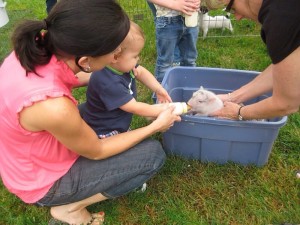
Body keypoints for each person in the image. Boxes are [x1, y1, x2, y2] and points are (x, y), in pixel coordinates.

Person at [0, 0, 181, 225]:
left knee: (98, 113)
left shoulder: (33, 49)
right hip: (44, 182)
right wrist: (154, 126)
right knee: (152, 154)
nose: (117, 56)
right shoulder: (54, 107)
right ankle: (70, 208)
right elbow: (97, 150)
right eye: (113, 52)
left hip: (25, 160)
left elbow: (83, 77)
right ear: (85, 61)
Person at [201, 0, 300, 120]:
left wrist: (239, 113)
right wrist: (232, 97)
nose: (237, 17)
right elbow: (287, 68)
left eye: (233, 9)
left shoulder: (280, 21)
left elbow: (286, 104)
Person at [81, 21, 172, 139]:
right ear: (115, 57)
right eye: (134, 56)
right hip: (105, 130)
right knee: (148, 148)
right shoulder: (108, 82)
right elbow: (133, 107)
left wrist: (158, 89)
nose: (138, 59)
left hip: (117, 121)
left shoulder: (121, 66)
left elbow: (141, 72)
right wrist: (158, 111)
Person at [148, 0, 201, 82]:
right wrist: (174, 4)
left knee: (189, 59)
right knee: (165, 62)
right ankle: (161, 92)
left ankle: (188, 86)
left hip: (191, 18)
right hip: (168, 20)